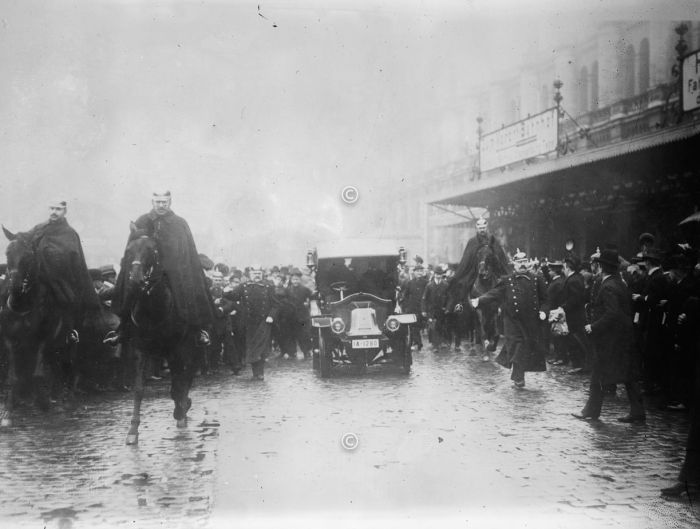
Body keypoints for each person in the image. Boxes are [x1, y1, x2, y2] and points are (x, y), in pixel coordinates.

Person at [106, 190, 213, 346]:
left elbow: (186, 250)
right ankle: (123, 329)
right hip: (147, 271)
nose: (161, 205)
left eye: (165, 202)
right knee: (131, 290)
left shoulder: (179, 223)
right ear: (152, 202)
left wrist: (176, 265)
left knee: (187, 292)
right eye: (158, 202)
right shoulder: (143, 220)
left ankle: (198, 330)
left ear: (170, 202)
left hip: (174, 271)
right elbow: (133, 246)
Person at [572, 249, 645, 422]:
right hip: (623, 337)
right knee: (629, 375)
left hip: (610, 339)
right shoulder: (620, 283)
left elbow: (612, 313)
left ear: (602, 266)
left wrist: (593, 326)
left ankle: (591, 411)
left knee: (598, 372)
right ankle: (638, 412)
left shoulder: (608, 286)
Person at [24, 199, 103, 343]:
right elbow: (24, 243)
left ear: (65, 211)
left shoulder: (70, 234)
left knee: (64, 305)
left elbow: (77, 264)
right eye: (52, 208)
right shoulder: (39, 228)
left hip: (60, 283)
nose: (54, 212)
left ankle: (70, 333)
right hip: (36, 278)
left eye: (58, 209)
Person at [472, 250, 547, 388]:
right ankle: (519, 378)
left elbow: (545, 299)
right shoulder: (507, 280)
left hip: (530, 322)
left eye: (524, 261)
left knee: (524, 349)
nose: (522, 265)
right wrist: (479, 300)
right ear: (514, 265)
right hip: (512, 322)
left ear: (528, 263)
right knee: (517, 348)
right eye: (519, 262)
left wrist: (543, 311)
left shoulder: (537, 279)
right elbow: (494, 293)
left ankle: (518, 376)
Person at [223, 265, 280, 380]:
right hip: (249, 322)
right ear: (250, 275)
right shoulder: (244, 286)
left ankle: (260, 373)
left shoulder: (268, 286)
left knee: (261, 348)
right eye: (254, 273)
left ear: (262, 274)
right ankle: (256, 373)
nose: (257, 275)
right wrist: (226, 292)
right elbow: (233, 296)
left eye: (259, 273)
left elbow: (276, 304)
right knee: (252, 347)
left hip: (264, 321)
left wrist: (271, 316)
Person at [450, 217, 509, 301]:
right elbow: (467, 259)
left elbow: (500, 255)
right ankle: (461, 306)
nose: (482, 230)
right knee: (463, 284)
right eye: (480, 228)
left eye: (483, 228)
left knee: (505, 285)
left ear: (486, 228)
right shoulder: (472, 241)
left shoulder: (492, 239)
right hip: (475, 269)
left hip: (492, 268)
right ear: (477, 229)